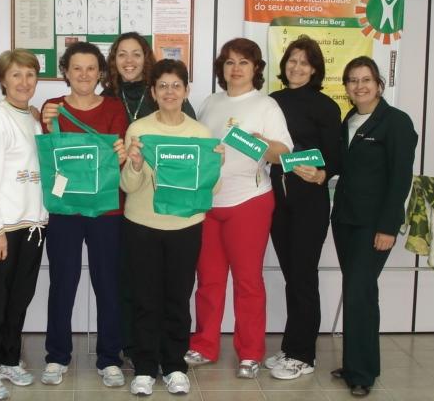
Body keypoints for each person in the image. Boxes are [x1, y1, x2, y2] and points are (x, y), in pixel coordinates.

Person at [186, 38, 292, 378]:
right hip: (209, 203)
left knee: (247, 281)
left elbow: (283, 154)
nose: (236, 68)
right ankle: (204, 345)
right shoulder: (210, 102)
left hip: (249, 202)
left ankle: (250, 352)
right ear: (222, 67)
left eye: (244, 62)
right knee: (208, 280)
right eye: (230, 62)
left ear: (255, 68)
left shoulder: (266, 105)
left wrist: (263, 145)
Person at [121, 59, 223, 396]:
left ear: (186, 90)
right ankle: (145, 367)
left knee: (177, 298)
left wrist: (216, 166)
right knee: (145, 299)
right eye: (162, 86)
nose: (169, 92)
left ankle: (175, 366)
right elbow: (128, 185)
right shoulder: (139, 129)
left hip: (186, 227)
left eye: (176, 85)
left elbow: (211, 189)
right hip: (142, 226)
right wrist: (136, 165)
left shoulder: (200, 133)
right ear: (153, 92)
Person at [40, 41, 128, 388]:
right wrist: (45, 124)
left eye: (91, 68)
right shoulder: (52, 108)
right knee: (63, 282)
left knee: (108, 284)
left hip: (107, 207)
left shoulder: (115, 108)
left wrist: (121, 153)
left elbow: (118, 157)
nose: (84, 74)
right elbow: (48, 157)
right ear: (65, 71)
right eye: (76, 68)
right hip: (65, 209)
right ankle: (57, 356)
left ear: (101, 72)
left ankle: (110, 358)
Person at [330, 56, 417, 397]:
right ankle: (357, 363)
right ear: (347, 87)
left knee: (359, 292)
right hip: (345, 221)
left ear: (378, 84)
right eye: (353, 80)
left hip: (374, 224)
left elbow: (400, 179)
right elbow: (341, 165)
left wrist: (388, 227)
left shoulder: (396, 122)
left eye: (365, 79)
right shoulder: (350, 119)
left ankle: (362, 374)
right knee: (359, 292)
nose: (359, 86)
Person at [0, 49, 48, 400]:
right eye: (16, 75)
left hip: (33, 226)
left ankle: (8, 359)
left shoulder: (32, 119)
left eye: (30, 75)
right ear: (3, 80)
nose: (24, 82)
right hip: (4, 229)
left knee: (18, 300)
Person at [264, 35, 341, 379]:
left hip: (309, 200)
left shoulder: (326, 106)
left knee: (303, 277)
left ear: (314, 70)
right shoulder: (272, 101)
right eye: (292, 61)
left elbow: (336, 156)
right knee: (291, 276)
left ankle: (303, 355)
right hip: (278, 199)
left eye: (305, 63)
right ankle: (291, 346)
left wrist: (323, 173)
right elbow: (265, 149)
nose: (297, 67)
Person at [102, 31, 196, 122]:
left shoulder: (162, 91)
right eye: (122, 55)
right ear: (114, 60)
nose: (129, 60)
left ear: (145, 58)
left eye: (136, 55)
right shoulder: (106, 97)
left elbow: (191, 126)